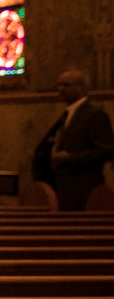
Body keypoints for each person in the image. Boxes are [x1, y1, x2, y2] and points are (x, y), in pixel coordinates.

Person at [33, 68, 114, 210]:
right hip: (62, 188)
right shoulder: (67, 114)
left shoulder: (94, 114)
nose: (60, 89)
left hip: (83, 189)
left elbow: (106, 151)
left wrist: (70, 157)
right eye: (59, 85)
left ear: (83, 87)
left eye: (66, 85)